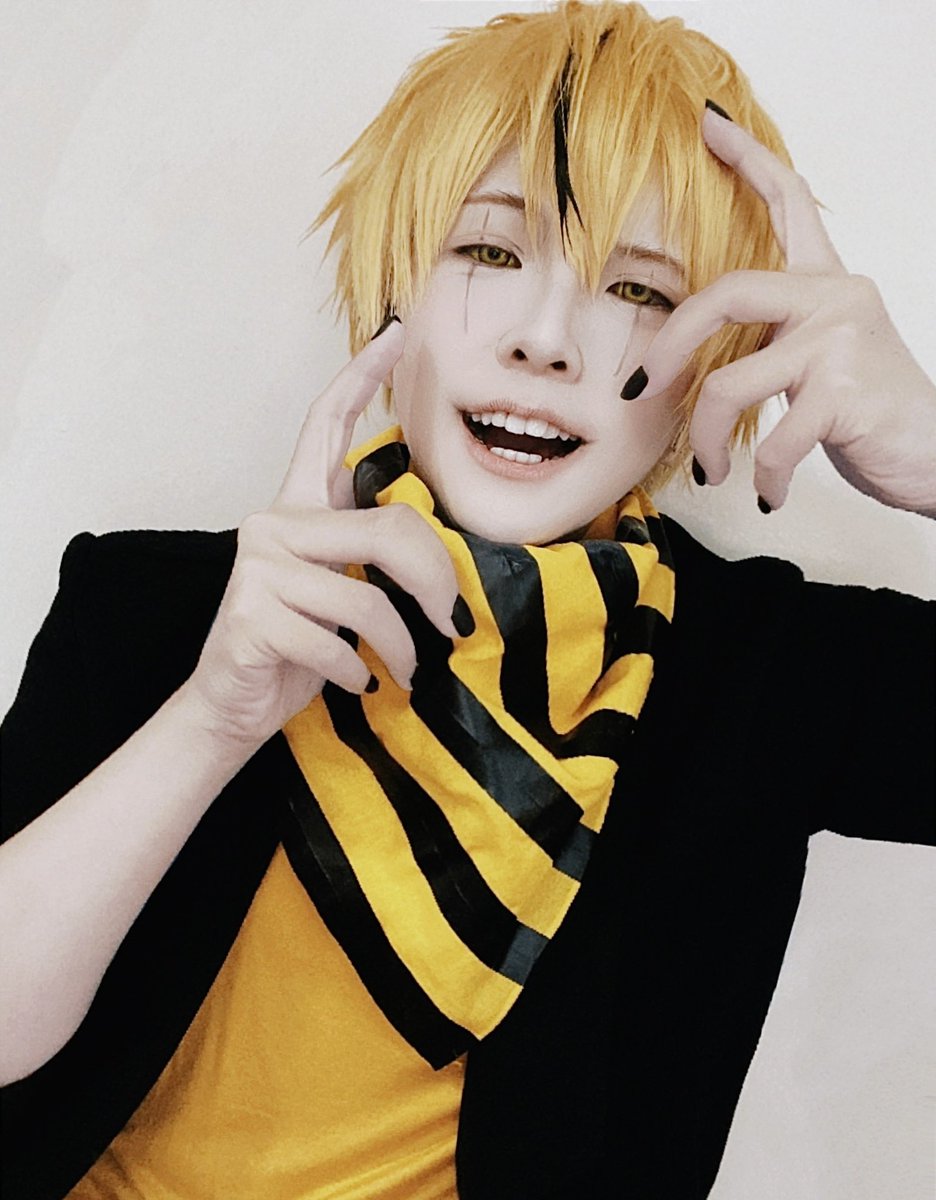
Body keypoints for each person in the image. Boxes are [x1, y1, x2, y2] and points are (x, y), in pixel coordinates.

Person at [1, 2, 933, 1198]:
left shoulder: (765, 678)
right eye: (491, 253)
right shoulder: (157, 606)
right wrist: (211, 720)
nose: (547, 340)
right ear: (398, 284)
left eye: (640, 289)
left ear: (716, 357)